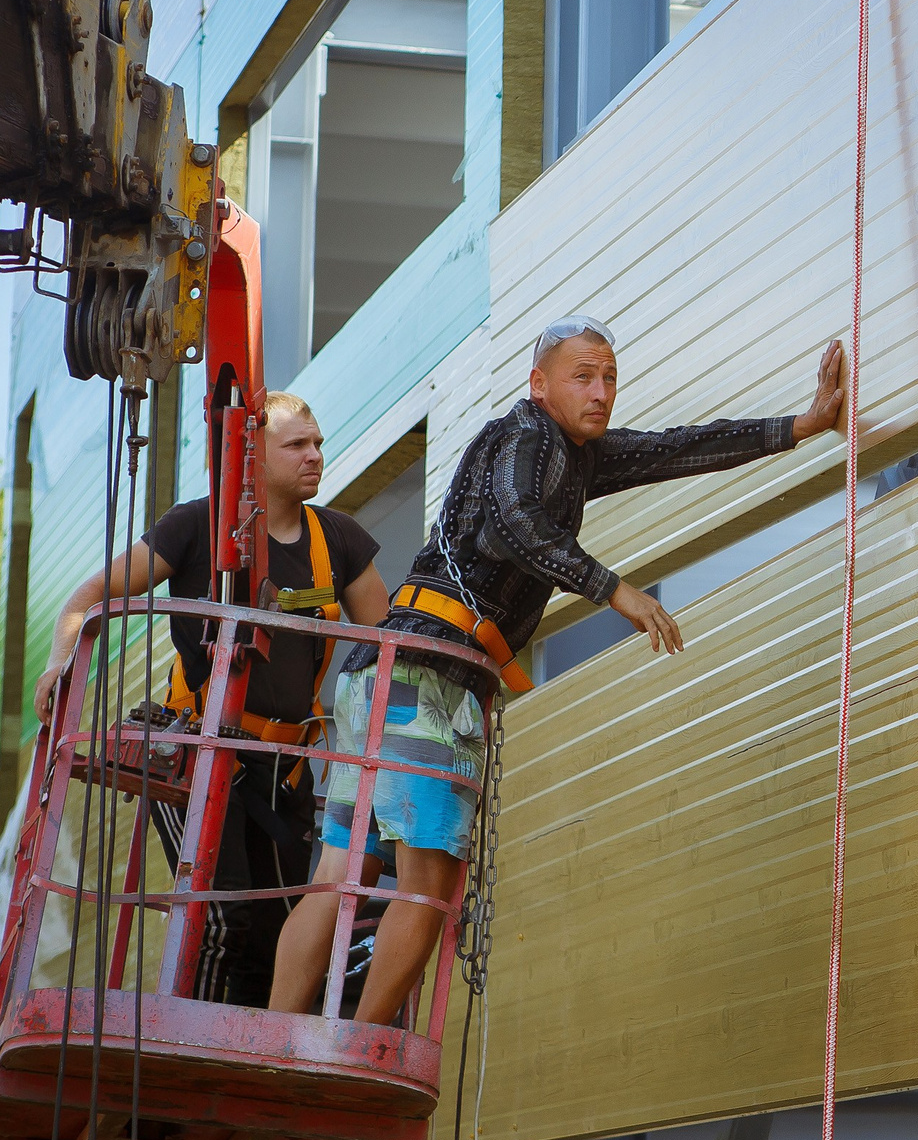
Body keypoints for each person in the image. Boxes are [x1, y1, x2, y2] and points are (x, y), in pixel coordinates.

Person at [270, 317, 848, 1023]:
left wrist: (804, 424)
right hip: (427, 677)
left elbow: (678, 448)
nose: (601, 391)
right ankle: (352, 1054)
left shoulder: (576, 454)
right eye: (584, 375)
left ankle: (279, 1037)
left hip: (383, 672)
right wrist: (616, 590)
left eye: (609, 377)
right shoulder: (528, 436)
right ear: (539, 384)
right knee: (424, 890)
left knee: (342, 872)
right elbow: (516, 519)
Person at [36, 391, 389, 1007]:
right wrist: (61, 662)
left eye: (319, 443)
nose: (316, 456)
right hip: (194, 750)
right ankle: (187, 1051)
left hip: (284, 769)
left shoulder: (338, 541)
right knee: (220, 919)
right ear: (250, 453)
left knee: (277, 932)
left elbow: (384, 646)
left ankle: (253, 1062)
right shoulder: (193, 526)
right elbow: (89, 595)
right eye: (298, 445)